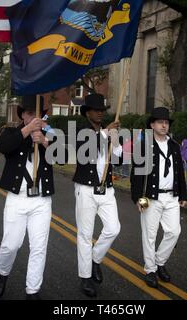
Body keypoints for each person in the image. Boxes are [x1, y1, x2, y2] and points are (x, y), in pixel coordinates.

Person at [0, 95, 54, 300]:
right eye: (29, 114)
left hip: (41, 201)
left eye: (37, 114)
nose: (34, 117)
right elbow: (4, 147)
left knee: (38, 246)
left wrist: (44, 142)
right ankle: (2, 273)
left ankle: (32, 290)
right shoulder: (12, 132)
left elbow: (63, 157)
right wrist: (27, 131)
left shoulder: (50, 134)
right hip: (17, 198)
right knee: (11, 244)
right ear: (23, 116)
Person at [130, 107, 187, 289]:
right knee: (150, 235)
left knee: (174, 232)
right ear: (152, 125)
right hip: (151, 197)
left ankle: (159, 262)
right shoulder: (144, 145)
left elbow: (179, 172)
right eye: (160, 122)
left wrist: (183, 194)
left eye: (166, 122)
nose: (164, 125)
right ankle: (151, 270)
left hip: (171, 196)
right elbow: (137, 175)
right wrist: (139, 198)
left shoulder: (174, 146)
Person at [73, 93, 122, 298]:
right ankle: (85, 277)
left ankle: (95, 259)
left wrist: (116, 141)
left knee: (113, 228)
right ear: (88, 113)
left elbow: (118, 161)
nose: (101, 113)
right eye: (97, 110)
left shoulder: (107, 132)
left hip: (107, 190)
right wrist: (104, 135)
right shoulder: (81, 131)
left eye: (103, 110)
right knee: (85, 234)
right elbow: (86, 155)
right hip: (85, 189)